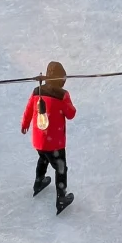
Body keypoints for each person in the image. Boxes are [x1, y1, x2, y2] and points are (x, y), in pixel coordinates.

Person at [21, 61, 76, 215]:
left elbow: (28, 111)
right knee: (61, 169)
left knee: (43, 159)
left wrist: (25, 124)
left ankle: (38, 183)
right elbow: (71, 114)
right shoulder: (63, 95)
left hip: (39, 141)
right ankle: (61, 199)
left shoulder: (36, 91)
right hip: (56, 144)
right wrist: (67, 102)